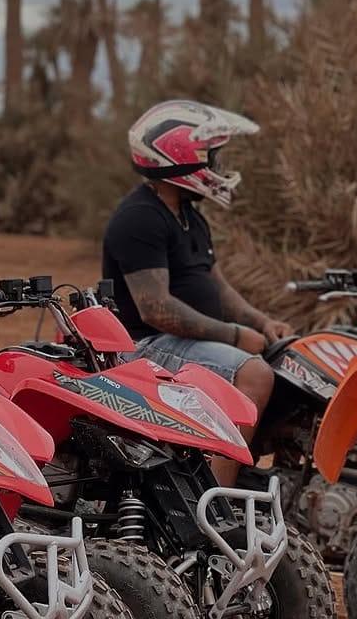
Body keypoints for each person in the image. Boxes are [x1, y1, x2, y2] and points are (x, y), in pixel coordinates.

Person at [102, 100, 291, 484]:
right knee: (255, 375)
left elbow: (216, 284)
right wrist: (235, 336)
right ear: (180, 158)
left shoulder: (189, 216)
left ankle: (262, 477)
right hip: (144, 344)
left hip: (181, 341)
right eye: (211, 157)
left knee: (290, 363)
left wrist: (261, 322)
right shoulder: (140, 217)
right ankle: (218, 496)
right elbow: (156, 309)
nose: (217, 167)